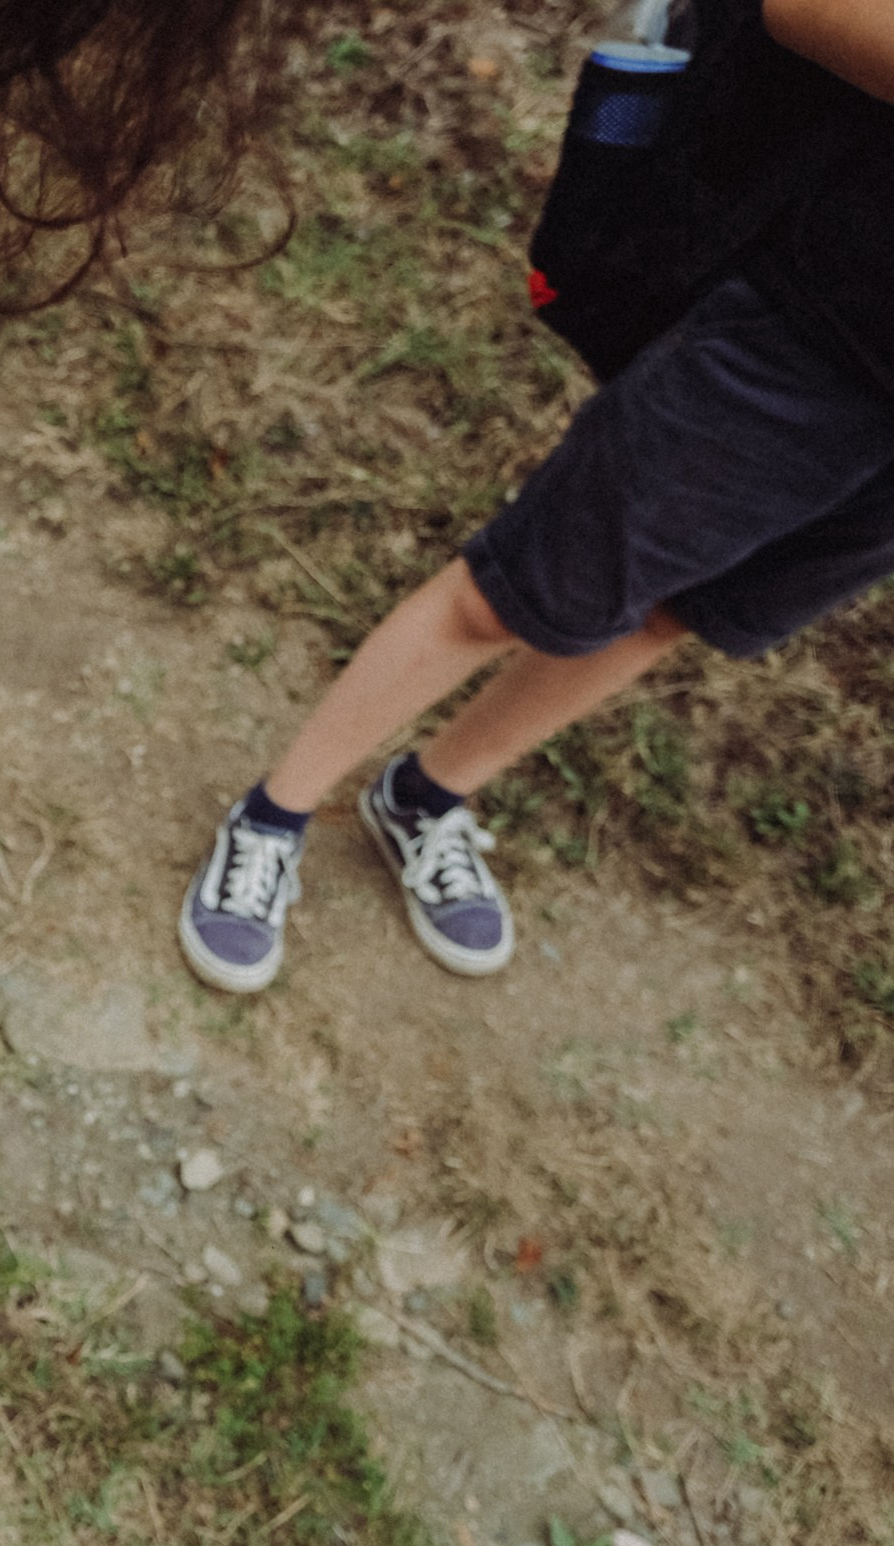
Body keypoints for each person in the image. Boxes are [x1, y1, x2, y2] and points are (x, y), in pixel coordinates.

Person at [178, 0, 894, 995]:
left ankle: (423, 796)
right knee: (516, 590)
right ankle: (273, 813)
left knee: (677, 607)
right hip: (822, 325)